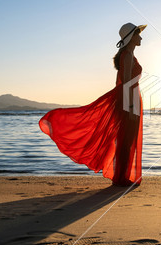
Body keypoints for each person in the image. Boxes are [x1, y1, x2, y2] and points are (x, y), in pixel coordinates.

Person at [39, 23, 146, 186]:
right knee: (126, 140)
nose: (141, 37)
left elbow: (121, 82)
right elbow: (125, 83)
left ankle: (121, 177)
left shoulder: (127, 54)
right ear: (131, 37)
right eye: (138, 34)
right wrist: (130, 107)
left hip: (129, 99)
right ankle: (121, 178)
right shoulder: (128, 55)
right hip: (129, 101)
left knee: (126, 140)